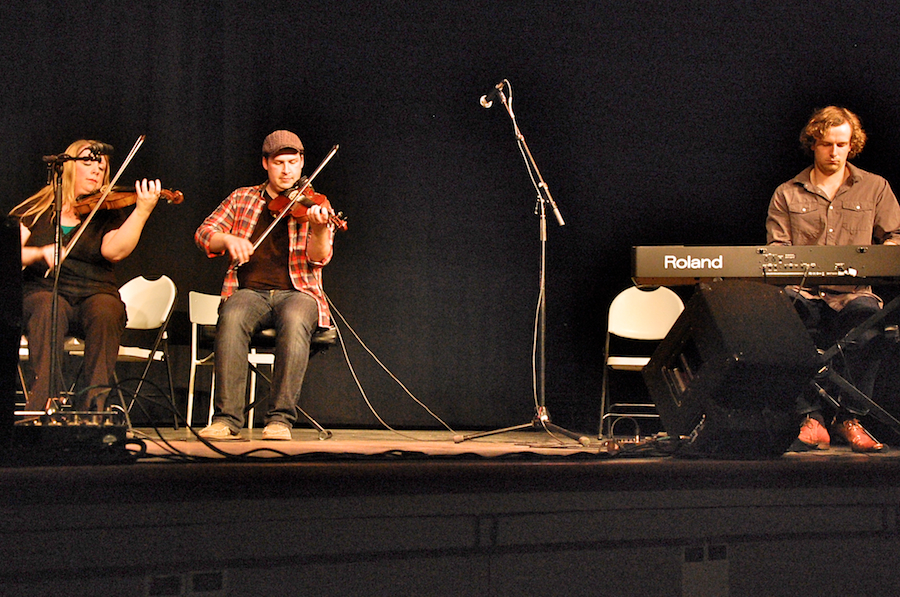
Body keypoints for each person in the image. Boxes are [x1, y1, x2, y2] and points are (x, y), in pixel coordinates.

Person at [766, 106, 900, 452]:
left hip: (852, 292)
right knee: (782, 315)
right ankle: (810, 419)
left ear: (852, 145)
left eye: (842, 144)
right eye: (827, 144)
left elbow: (895, 237)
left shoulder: (875, 187)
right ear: (813, 143)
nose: (835, 152)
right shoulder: (787, 193)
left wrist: (880, 255)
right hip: (805, 292)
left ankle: (848, 418)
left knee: (867, 318)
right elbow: (777, 251)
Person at [195, 130, 335, 441]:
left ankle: (280, 419)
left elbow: (319, 259)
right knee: (231, 316)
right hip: (249, 292)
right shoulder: (241, 197)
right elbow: (204, 233)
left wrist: (320, 229)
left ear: (302, 164)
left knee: (296, 317)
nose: (287, 170)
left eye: (293, 162)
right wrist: (228, 239)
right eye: (279, 162)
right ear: (265, 164)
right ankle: (227, 418)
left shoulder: (316, 204)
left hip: (298, 292)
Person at [11, 139, 162, 413]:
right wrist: (37, 253)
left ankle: (94, 409)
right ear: (67, 167)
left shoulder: (107, 212)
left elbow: (114, 251)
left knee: (107, 311)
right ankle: (45, 403)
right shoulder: (38, 209)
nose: (96, 171)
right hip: (45, 291)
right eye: (88, 163)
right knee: (48, 307)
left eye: (102, 167)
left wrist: (142, 211)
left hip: (95, 290)